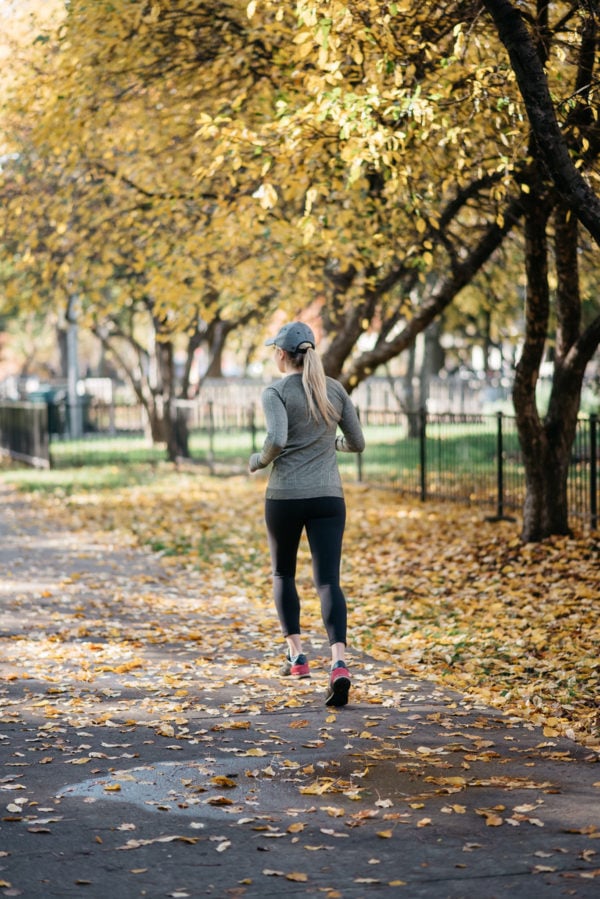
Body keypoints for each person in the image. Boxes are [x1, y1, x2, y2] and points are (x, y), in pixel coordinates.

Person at [248, 321, 365, 707]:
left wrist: (257, 461)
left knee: (283, 572)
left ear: (282, 354)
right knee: (328, 580)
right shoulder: (334, 390)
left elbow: (277, 440)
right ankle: (339, 664)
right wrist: (331, 444)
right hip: (329, 497)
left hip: (285, 497)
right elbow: (358, 442)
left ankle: (297, 657)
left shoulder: (276, 391)